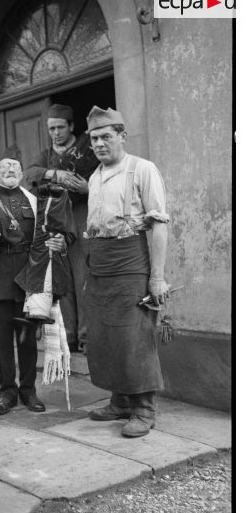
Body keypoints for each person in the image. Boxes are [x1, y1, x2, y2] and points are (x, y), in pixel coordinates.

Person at [83, 106, 170, 438]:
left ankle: (144, 408)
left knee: (134, 334)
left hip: (130, 260)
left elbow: (158, 226)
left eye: (107, 136)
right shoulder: (95, 176)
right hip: (100, 261)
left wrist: (157, 277)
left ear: (122, 136)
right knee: (105, 335)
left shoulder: (142, 169)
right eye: (94, 138)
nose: (100, 144)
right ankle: (120, 401)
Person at [0, 146, 66, 415]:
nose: (9, 171)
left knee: (27, 339)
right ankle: (7, 393)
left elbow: (52, 234)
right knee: (3, 340)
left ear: (22, 173)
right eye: (4, 168)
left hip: (29, 278)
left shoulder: (35, 201)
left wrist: (58, 241)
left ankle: (29, 391)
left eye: (15, 168)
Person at [24, 104, 99, 352]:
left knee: (83, 276)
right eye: (51, 128)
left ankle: (87, 336)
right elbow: (29, 174)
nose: (55, 133)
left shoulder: (88, 149)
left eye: (59, 127)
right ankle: (69, 335)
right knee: (62, 277)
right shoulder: (46, 155)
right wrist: (54, 174)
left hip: (81, 215)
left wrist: (85, 186)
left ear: (71, 127)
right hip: (56, 220)